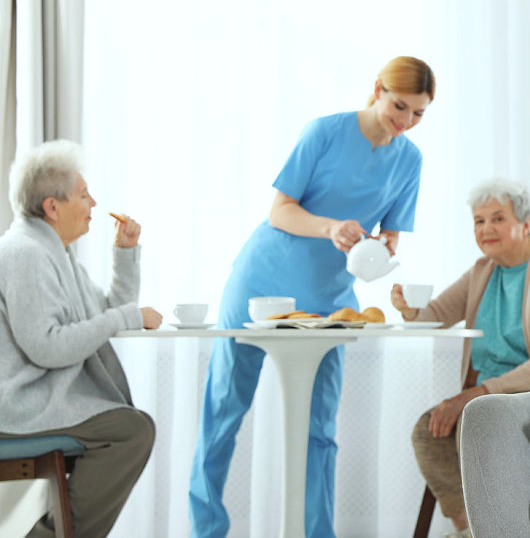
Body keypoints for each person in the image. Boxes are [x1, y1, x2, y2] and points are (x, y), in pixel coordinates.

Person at [189, 56, 435, 537]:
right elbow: (280, 211)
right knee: (224, 412)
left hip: (328, 299)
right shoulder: (324, 132)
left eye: (419, 114)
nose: (405, 122)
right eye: (399, 106)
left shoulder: (410, 160)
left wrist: (385, 246)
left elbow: (392, 234)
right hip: (261, 282)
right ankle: (206, 530)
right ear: (379, 88)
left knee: (318, 428)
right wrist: (330, 227)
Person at [399, 178, 530, 537]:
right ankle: (471, 528)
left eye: (498, 218)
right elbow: (435, 314)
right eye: (479, 221)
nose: (486, 229)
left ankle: (486, 527)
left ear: (526, 223)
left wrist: (469, 396)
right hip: (486, 396)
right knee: (429, 432)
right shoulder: (484, 269)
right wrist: (408, 308)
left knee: (469, 420)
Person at [0, 140, 162, 537]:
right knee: (131, 431)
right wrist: (128, 315)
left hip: (43, 397)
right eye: (84, 195)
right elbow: (48, 346)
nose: (93, 204)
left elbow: (106, 315)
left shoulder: (54, 251)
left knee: (132, 427)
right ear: (52, 207)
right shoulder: (26, 254)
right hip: (18, 405)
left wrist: (124, 253)